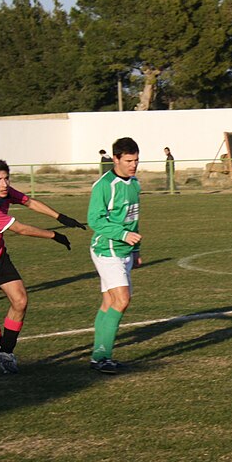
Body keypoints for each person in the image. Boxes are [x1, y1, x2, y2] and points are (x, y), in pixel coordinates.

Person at [0, 159, 78, 373]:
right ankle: (0, 351)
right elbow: (19, 229)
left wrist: (61, 216)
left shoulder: (5, 192)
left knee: (20, 300)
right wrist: (54, 234)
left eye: (6, 178)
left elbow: (29, 201)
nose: (4, 184)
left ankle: (6, 352)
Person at [88, 137, 142, 374]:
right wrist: (122, 234)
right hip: (106, 249)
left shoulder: (135, 183)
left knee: (110, 302)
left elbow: (134, 218)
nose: (133, 165)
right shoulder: (104, 185)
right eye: (129, 160)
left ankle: (98, 355)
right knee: (122, 300)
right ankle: (103, 357)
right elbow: (95, 220)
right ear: (116, 158)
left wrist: (136, 249)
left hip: (124, 250)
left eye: (136, 160)